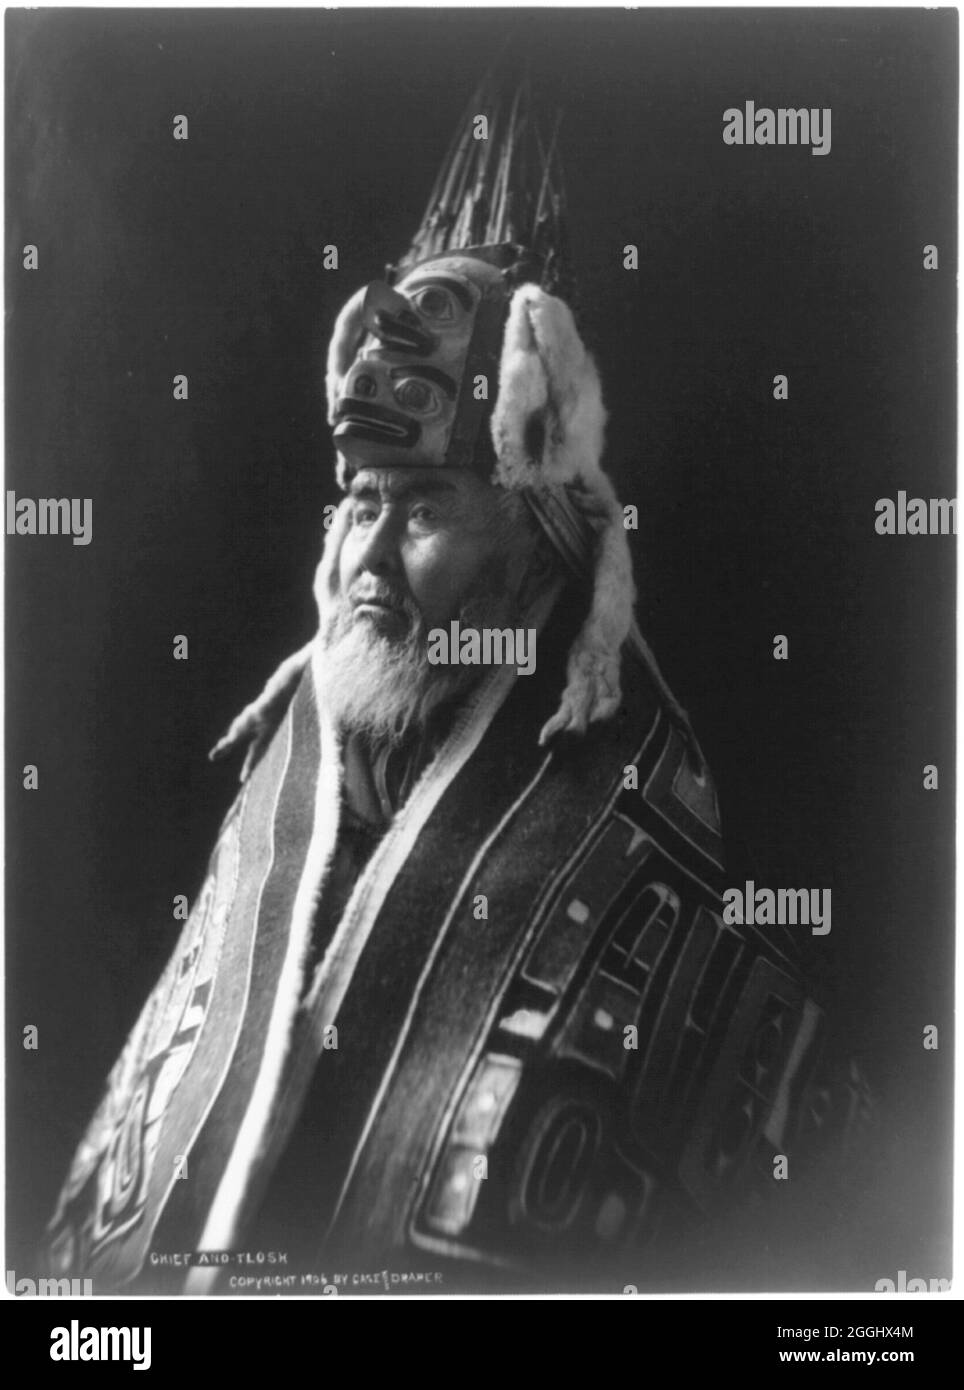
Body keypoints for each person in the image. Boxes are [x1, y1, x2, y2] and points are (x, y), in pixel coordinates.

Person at [45, 79, 871, 1296]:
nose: (367, 555)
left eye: (425, 507)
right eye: (359, 502)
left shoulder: (639, 815)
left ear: (538, 542)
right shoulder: (296, 764)